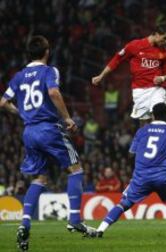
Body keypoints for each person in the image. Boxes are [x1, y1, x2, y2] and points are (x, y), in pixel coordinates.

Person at [0, 35, 95, 251]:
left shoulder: (19, 76)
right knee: (75, 169)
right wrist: (68, 118)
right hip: (48, 128)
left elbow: (3, 102)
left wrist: (22, 113)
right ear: (47, 51)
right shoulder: (49, 71)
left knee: (40, 178)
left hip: (29, 131)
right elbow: (53, 92)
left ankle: (24, 224)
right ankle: (74, 219)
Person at [91, 103, 166, 238]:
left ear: (153, 115)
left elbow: (130, 154)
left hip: (141, 176)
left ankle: (100, 230)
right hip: (162, 176)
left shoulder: (142, 131)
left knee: (124, 204)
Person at [92, 24, 166, 121]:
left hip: (157, 89)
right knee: (144, 122)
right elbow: (117, 59)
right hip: (139, 90)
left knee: (160, 115)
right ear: (156, 34)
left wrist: (162, 78)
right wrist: (101, 76)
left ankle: (162, 135)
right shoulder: (135, 45)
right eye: (165, 38)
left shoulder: (164, 52)